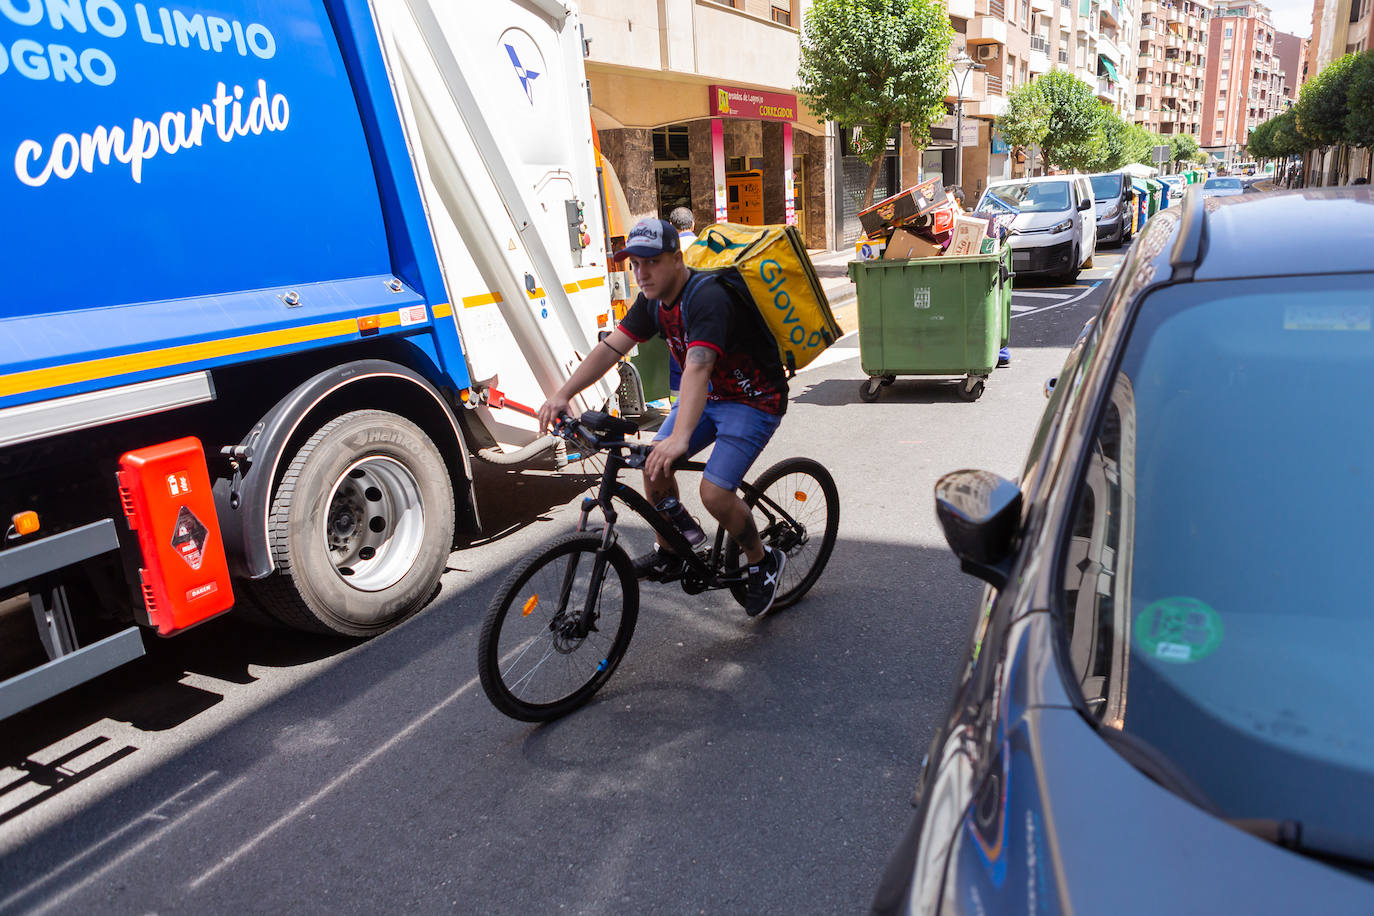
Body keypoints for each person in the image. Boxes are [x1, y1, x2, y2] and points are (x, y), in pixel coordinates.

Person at [537, 217, 791, 616]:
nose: (641, 273)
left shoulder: (707, 297)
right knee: (654, 466)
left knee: (714, 492)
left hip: (753, 399)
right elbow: (611, 349)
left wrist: (678, 438)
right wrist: (563, 394)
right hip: (710, 396)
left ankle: (762, 561)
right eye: (634, 264)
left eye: (651, 262)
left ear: (677, 259)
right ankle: (672, 549)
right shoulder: (652, 301)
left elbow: (698, 365)